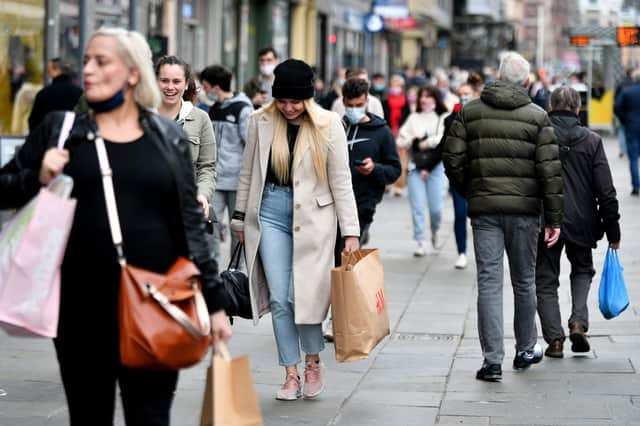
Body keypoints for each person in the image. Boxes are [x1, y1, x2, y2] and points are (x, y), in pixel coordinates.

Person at [0, 27, 231, 425]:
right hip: (80, 310)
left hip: (158, 302)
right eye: (86, 60)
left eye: (101, 61)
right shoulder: (62, 130)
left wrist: (215, 303)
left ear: (132, 73)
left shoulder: (167, 136)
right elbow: (3, 189)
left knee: (151, 417)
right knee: (89, 416)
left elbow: (189, 225)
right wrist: (35, 177)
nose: (88, 69)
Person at [230, 59, 360, 401]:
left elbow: (341, 181)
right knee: (278, 296)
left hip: (315, 218)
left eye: (295, 101)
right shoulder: (260, 121)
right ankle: (290, 372)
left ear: (308, 98)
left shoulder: (329, 124)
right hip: (269, 212)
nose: (288, 108)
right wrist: (240, 219)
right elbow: (247, 174)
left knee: (304, 293)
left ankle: (313, 360)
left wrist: (351, 232)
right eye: (282, 101)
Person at [443, 52, 563, 382]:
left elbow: (452, 159)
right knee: (524, 282)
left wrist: (473, 190)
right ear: (526, 82)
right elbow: (550, 172)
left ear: (497, 76)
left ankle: (491, 360)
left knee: (489, 283)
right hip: (525, 213)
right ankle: (525, 348)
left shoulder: (470, 112)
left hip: (485, 212)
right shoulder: (538, 116)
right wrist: (553, 219)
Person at [537, 86, 621, 359]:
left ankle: (555, 340)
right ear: (577, 109)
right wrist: (613, 230)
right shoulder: (592, 140)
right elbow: (606, 191)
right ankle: (577, 323)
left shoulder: (540, 136)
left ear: (550, 107)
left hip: (546, 219)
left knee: (546, 279)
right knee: (582, 269)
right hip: (583, 220)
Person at [337, 77, 402, 260]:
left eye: (359, 104)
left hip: (363, 204)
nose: (355, 109)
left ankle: (347, 289)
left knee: (348, 257)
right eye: (350, 105)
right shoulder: (335, 127)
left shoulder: (381, 132)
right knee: (333, 258)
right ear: (343, 102)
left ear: (367, 101)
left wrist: (375, 168)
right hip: (334, 203)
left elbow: (395, 170)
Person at [199, 64, 253, 266]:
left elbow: (250, 144)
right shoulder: (213, 109)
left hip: (237, 183)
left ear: (215, 87)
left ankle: (234, 274)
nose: (204, 91)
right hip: (215, 182)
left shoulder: (242, 109)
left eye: (205, 86)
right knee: (209, 226)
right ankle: (211, 270)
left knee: (237, 231)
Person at [156, 55, 216, 215]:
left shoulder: (201, 118)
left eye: (176, 81)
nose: (170, 87)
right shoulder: (142, 117)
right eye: (164, 81)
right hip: (147, 207)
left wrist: (202, 194)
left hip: (186, 207)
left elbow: (207, 167)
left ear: (186, 84)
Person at [397, 86, 450, 257]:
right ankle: (420, 240)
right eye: (422, 96)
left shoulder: (442, 117)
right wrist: (413, 139)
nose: (424, 99)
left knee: (436, 208)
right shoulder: (413, 117)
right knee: (417, 206)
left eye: (428, 96)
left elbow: (444, 139)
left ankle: (434, 230)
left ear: (435, 98)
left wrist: (427, 142)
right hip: (415, 165)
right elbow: (401, 140)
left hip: (436, 166)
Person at [28, 57, 83, 132]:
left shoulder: (44, 93)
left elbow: (34, 121)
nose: (48, 72)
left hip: (48, 140)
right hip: (74, 139)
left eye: (50, 70)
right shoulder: (79, 93)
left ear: (57, 70)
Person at [382, 74, 411, 197]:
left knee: (402, 161)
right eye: (393, 85)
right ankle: (387, 184)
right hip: (388, 133)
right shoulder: (385, 102)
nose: (395, 88)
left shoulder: (406, 103)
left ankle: (399, 186)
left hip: (402, 134)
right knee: (386, 159)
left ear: (402, 87)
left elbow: (408, 119)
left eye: (398, 86)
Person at [614, 67, 640, 196]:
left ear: (634, 79)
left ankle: (636, 186)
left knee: (634, 159)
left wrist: (624, 120)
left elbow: (617, 107)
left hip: (631, 127)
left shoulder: (627, 92)